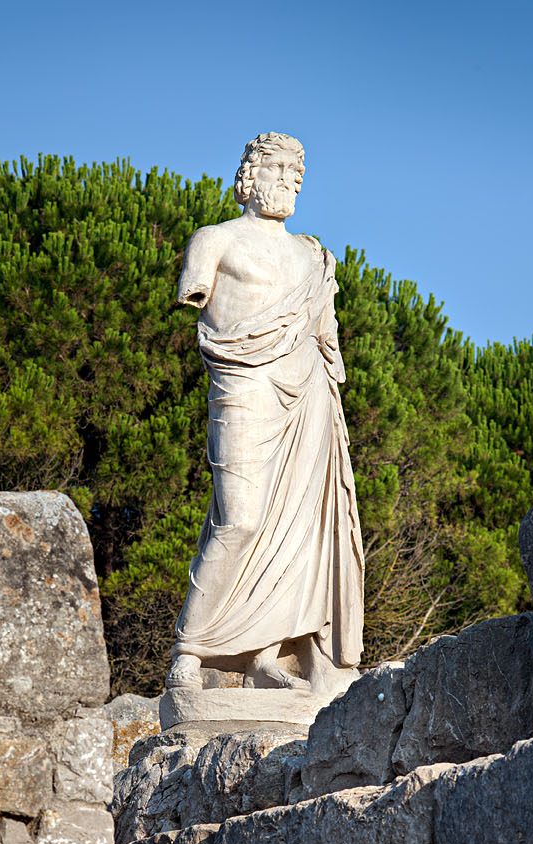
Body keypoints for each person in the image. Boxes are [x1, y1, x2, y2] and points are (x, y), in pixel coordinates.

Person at [163, 132, 364, 694]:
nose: (288, 183)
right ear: (249, 176)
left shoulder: (313, 256)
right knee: (241, 519)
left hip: (309, 395)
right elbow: (202, 308)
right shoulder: (215, 241)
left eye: (296, 175)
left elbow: (326, 338)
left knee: (299, 529)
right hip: (243, 386)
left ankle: (266, 654)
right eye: (277, 170)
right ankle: (189, 649)